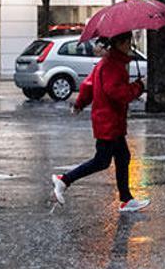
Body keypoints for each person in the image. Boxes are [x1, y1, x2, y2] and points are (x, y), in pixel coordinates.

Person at [51, 32, 150, 213]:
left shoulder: (109, 62)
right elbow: (118, 93)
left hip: (109, 121)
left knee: (123, 157)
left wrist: (80, 104)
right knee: (101, 161)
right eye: (128, 42)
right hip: (109, 121)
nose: (130, 45)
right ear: (120, 43)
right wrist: (139, 86)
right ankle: (64, 180)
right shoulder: (113, 65)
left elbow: (88, 85)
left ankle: (126, 199)